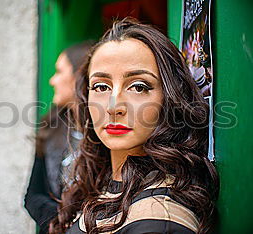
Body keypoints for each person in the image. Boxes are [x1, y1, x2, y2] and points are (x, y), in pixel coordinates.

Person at [49, 17, 219, 234]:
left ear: (169, 98)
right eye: (101, 87)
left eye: (138, 87)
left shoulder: (157, 223)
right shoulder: (104, 182)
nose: (113, 106)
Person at [24, 42, 93, 234]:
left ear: (78, 75)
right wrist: (60, 222)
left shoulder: (105, 133)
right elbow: (33, 195)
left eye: (59, 72)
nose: (52, 80)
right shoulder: (52, 127)